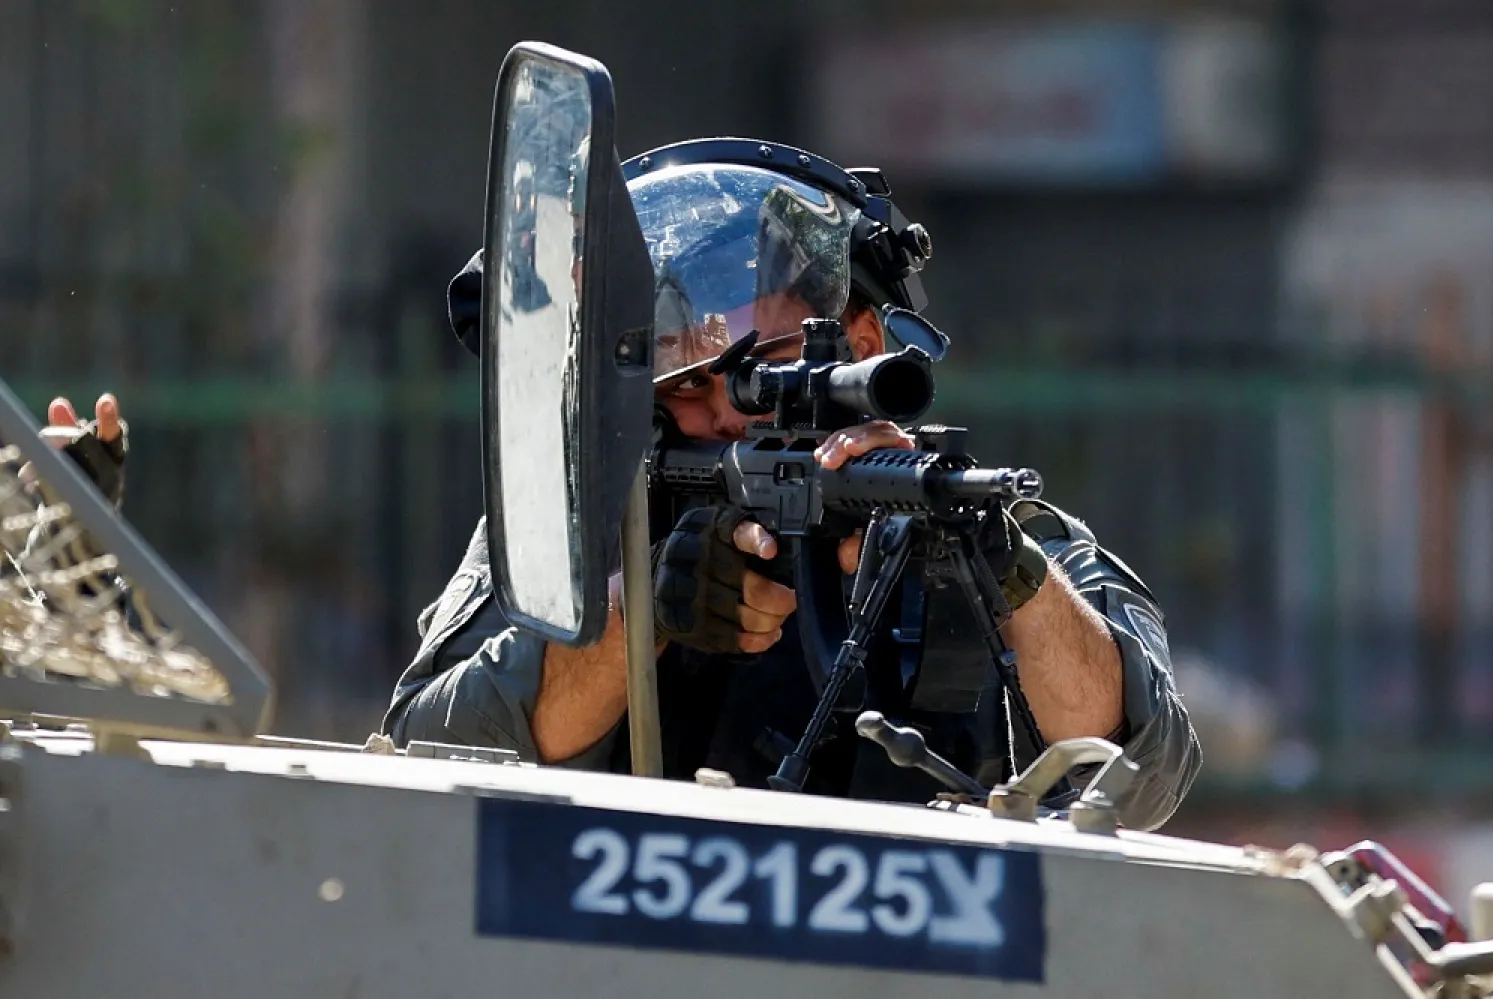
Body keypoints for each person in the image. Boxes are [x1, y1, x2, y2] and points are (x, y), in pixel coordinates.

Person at [382, 139, 1201, 830]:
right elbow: (430, 750)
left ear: (864, 344)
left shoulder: (989, 526)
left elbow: (1148, 773)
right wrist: (640, 613)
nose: (732, 417)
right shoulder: (586, 526)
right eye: (686, 394)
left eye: (763, 374)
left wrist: (993, 565)